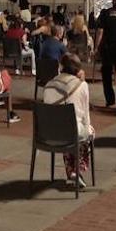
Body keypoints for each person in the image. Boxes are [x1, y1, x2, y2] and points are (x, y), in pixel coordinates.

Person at [41, 53, 93, 187]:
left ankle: (71, 171)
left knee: (66, 129)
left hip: (49, 133)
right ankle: (77, 169)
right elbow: (86, 115)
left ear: (61, 67)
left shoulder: (49, 85)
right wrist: (88, 128)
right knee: (84, 131)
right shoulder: (82, 85)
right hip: (71, 132)